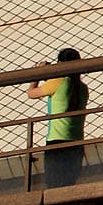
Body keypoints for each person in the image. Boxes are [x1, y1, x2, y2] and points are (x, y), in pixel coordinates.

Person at [26, 49, 85, 188]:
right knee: (69, 184)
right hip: (77, 141)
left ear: (60, 64)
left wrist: (40, 72)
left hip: (57, 141)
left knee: (54, 185)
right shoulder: (83, 88)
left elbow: (31, 93)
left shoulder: (56, 82)